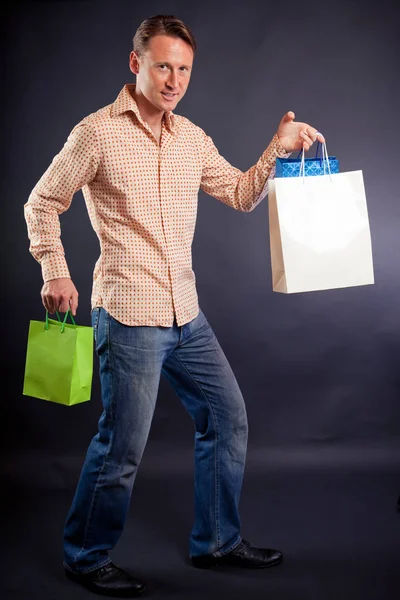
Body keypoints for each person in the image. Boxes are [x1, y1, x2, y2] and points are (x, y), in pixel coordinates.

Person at [24, 14, 324, 598]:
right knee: (123, 447)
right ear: (136, 63)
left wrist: (278, 147)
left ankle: (216, 542)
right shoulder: (97, 133)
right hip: (129, 313)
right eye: (163, 65)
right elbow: (42, 203)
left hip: (186, 312)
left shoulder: (191, 137)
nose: (173, 80)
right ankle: (86, 558)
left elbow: (240, 194)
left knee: (227, 417)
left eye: (183, 69)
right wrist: (55, 271)